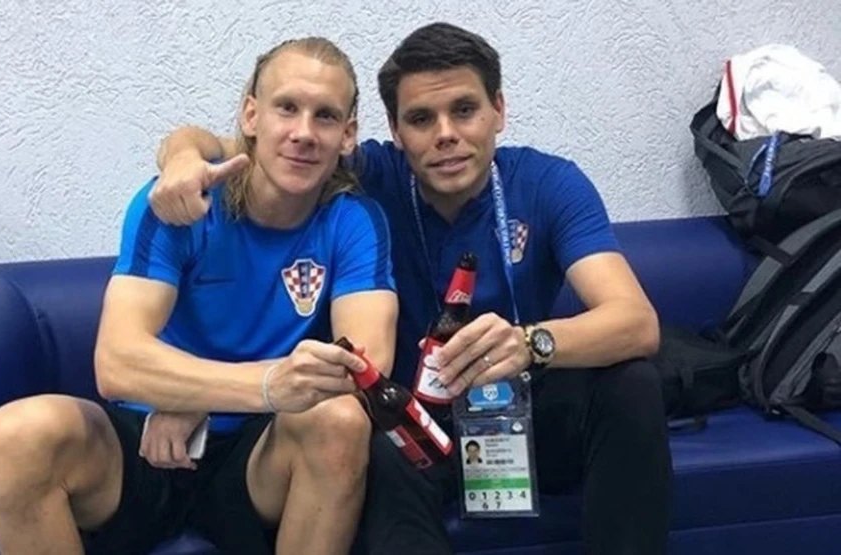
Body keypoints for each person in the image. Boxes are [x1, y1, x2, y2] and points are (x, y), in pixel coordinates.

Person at [149, 22, 672, 555]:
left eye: (464, 110)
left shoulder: (549, 184)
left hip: (516, 410)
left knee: (631, 384)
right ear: (396, 132)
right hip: (409, 425)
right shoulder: (371, 173)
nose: (445, 134)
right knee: (369, 442)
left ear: (498, 110)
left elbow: (635, 321)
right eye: (421, 119)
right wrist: (182, 156)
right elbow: (248, 145)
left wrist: (528, 343)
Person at [0, 36, 399, 555]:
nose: (304, 133)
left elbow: (362, 369)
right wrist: (220, 393)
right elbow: (117, 363)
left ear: (348, 135)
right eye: (287, 107)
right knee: (17, 434)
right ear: (251, 115)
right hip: (142, 439)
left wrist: (202, 396)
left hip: (258, 454)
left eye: (326, 116)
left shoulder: (354, 220)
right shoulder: (179, 202)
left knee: (340, 419)